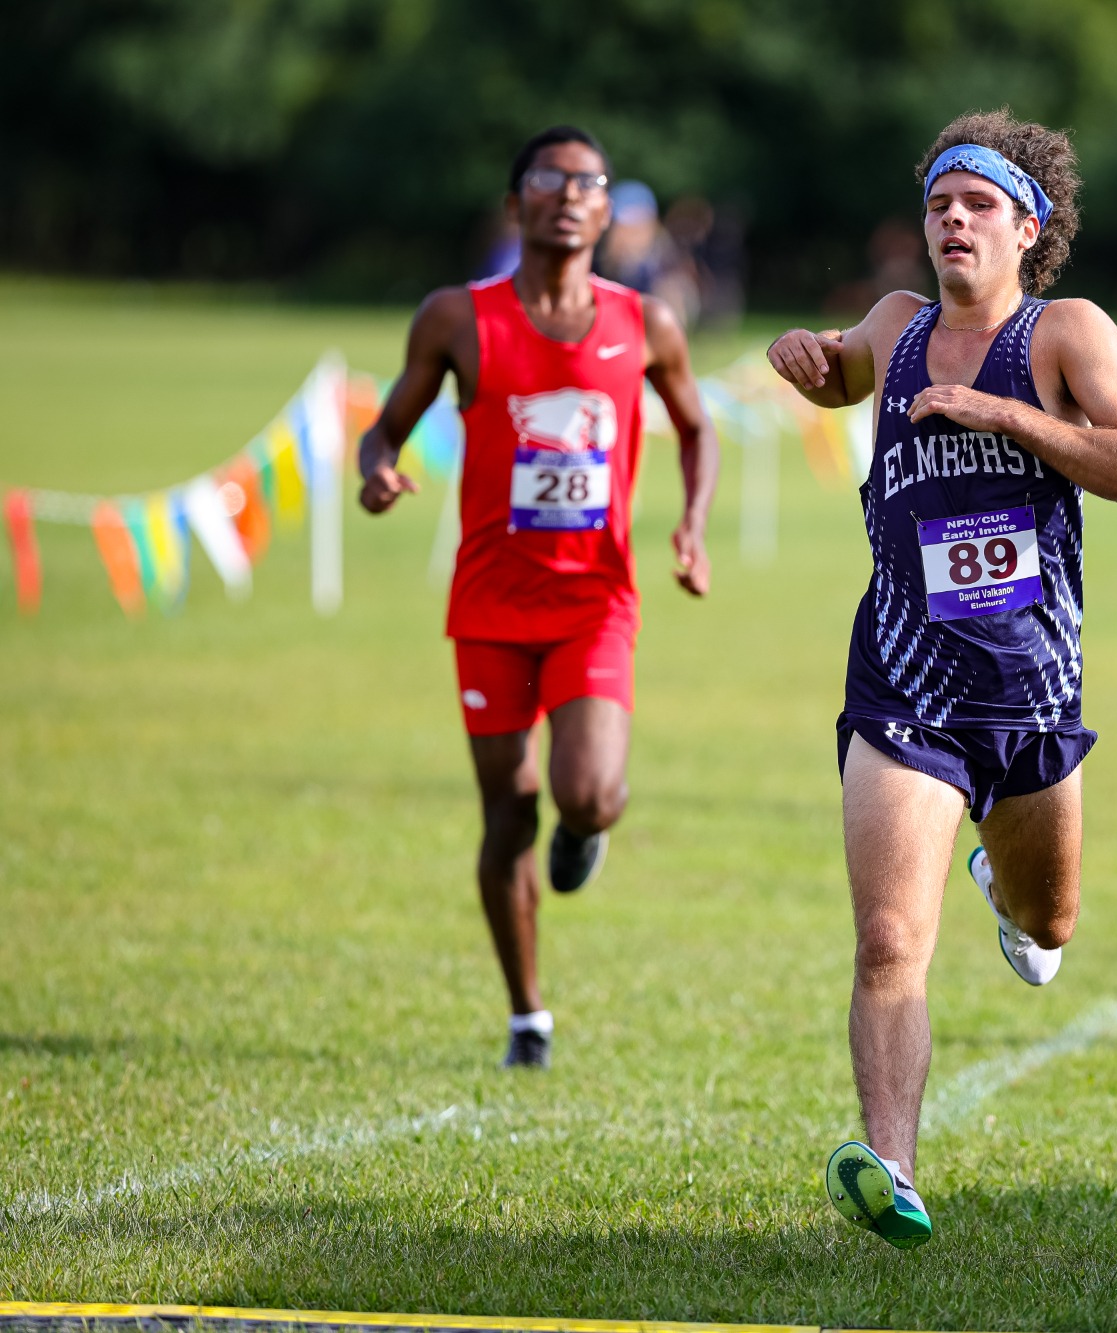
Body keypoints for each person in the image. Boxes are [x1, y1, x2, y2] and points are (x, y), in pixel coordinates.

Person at [766, 109, 1117, 1248]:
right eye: (937, 203)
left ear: (1025, 227)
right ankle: (889, 1165)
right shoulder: (896, 325)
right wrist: (797, 354)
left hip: (1030, 690)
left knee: (1050, 922)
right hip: (903, 682)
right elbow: (836, 375)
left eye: (975, 204)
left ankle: (1008, 879)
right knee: (890, 937)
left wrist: (1000, 412)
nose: (950, 220)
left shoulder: (1064, 335)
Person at [356, 126, 719, 1069]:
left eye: (587, 181)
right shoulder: (456, 317)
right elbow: (385, 429)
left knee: (590, 792)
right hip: (487, 605)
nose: (567, 194)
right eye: (547, 180)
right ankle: (527, 1012)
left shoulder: (647, 323)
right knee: (505, 813)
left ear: (609, 209)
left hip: (595, 599)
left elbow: (695, 427)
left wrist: (692, 524)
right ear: (515, 204)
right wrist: (379, 471)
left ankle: (585, 832)